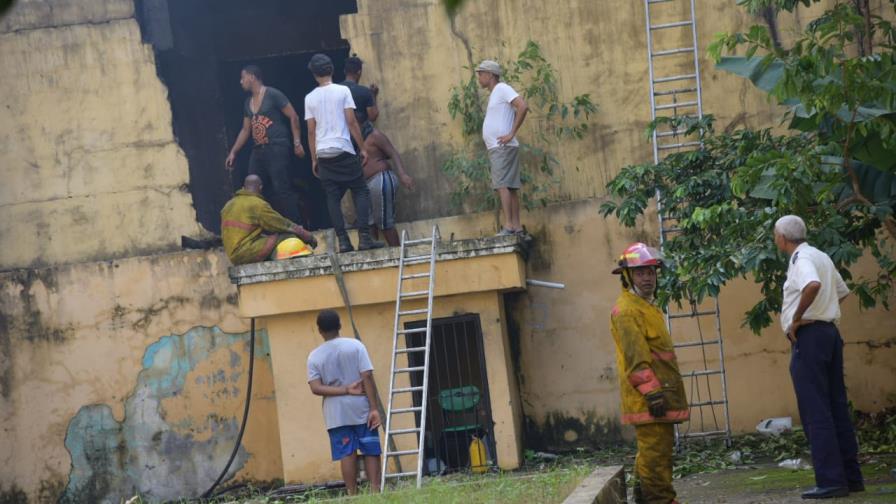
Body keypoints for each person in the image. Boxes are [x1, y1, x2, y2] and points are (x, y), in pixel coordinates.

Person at [773, 215, 864, 500]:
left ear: (782, 238)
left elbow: (811, 285)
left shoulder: (801, 259)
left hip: (810, 337)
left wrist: (798, 318)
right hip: (829, 334)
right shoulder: (821, 255)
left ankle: (830, 480)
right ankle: (851, 477)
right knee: (836, 405)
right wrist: (823, 312)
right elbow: (841, 292)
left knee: (816, 410)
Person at [609, 243, 688, 504]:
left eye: (651, 272)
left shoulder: (645, 306)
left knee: (650, 453)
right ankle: (661, 501)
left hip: (657, 394)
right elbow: (635, 359)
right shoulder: (628, 311)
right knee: (656, 457)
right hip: (650, 398)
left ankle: (644, 499)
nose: (648, 278)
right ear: (627, 276)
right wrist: (652, 393)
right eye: (641, 272)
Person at [304, 53, 384, 253]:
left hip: (324, 153)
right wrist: (363, 148)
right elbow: (351, 122)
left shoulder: (309, 98)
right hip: (343, 149)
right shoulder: (342, 92)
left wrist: (314, 158)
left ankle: (344, 242)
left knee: (332, 196)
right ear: (331, 69)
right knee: (360, 190)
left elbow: (311, 131)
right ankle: (365, 238)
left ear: (314, 75)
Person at [307, 310, 382, 495]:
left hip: (336, 414)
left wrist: (344, 390)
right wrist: (374, 408)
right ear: (340, 325)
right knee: (370, 449)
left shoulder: (314, 356)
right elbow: (367, 376)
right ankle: (375, 491)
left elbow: (315, 388)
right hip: (361, 408)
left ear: (319, 330)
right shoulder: (356, 346)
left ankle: (352, 494)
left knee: (347, 453)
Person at [225, 65, 305, 223]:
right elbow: (245, 130)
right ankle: (261, 228)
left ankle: (297, 227)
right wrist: (233, 152)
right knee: (252, 189)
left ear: (252, 77)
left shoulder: (273, 94)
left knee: (281, 188)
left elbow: (293, 116)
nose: (241, 82)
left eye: (243, 77)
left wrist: (297, 142)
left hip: (277, 146)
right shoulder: (248, 102)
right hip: (258, 150)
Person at [475, 60, 528, 236]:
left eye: (481, 73)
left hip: (502, 147)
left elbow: (522, 105)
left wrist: (511, 132)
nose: (479, 77)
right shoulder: (496, 93)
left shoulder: (501, 88)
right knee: (510, 186)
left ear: (490, 75)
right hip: (502, 147)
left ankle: (509, 226)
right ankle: (517, 226)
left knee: (502, 185)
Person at [220, 175, 317, 265]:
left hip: (233, 256)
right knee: (287, 236)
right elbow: (282, 225)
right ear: (261, 187)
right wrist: (307, 235)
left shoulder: (228, 206)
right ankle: (281, 268)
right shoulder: (257, 204)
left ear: (243, 187)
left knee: (268, 239)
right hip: (247, 252)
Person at [362, 128, 414, 246]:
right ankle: (374, 256)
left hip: (380, 179)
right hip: (364, 185)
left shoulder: (374, 135)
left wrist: (402, 174)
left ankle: (396, 254)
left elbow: (392, 152)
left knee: (385, 223)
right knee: (369, 224)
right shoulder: (352, 137)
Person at [340, 55, 379, 140]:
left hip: (340, 137)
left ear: (344, 71)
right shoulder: (364, 91)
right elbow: (373, 116)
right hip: (360, 137)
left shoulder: (335, 91)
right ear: (359, 72)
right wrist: (373, 95)